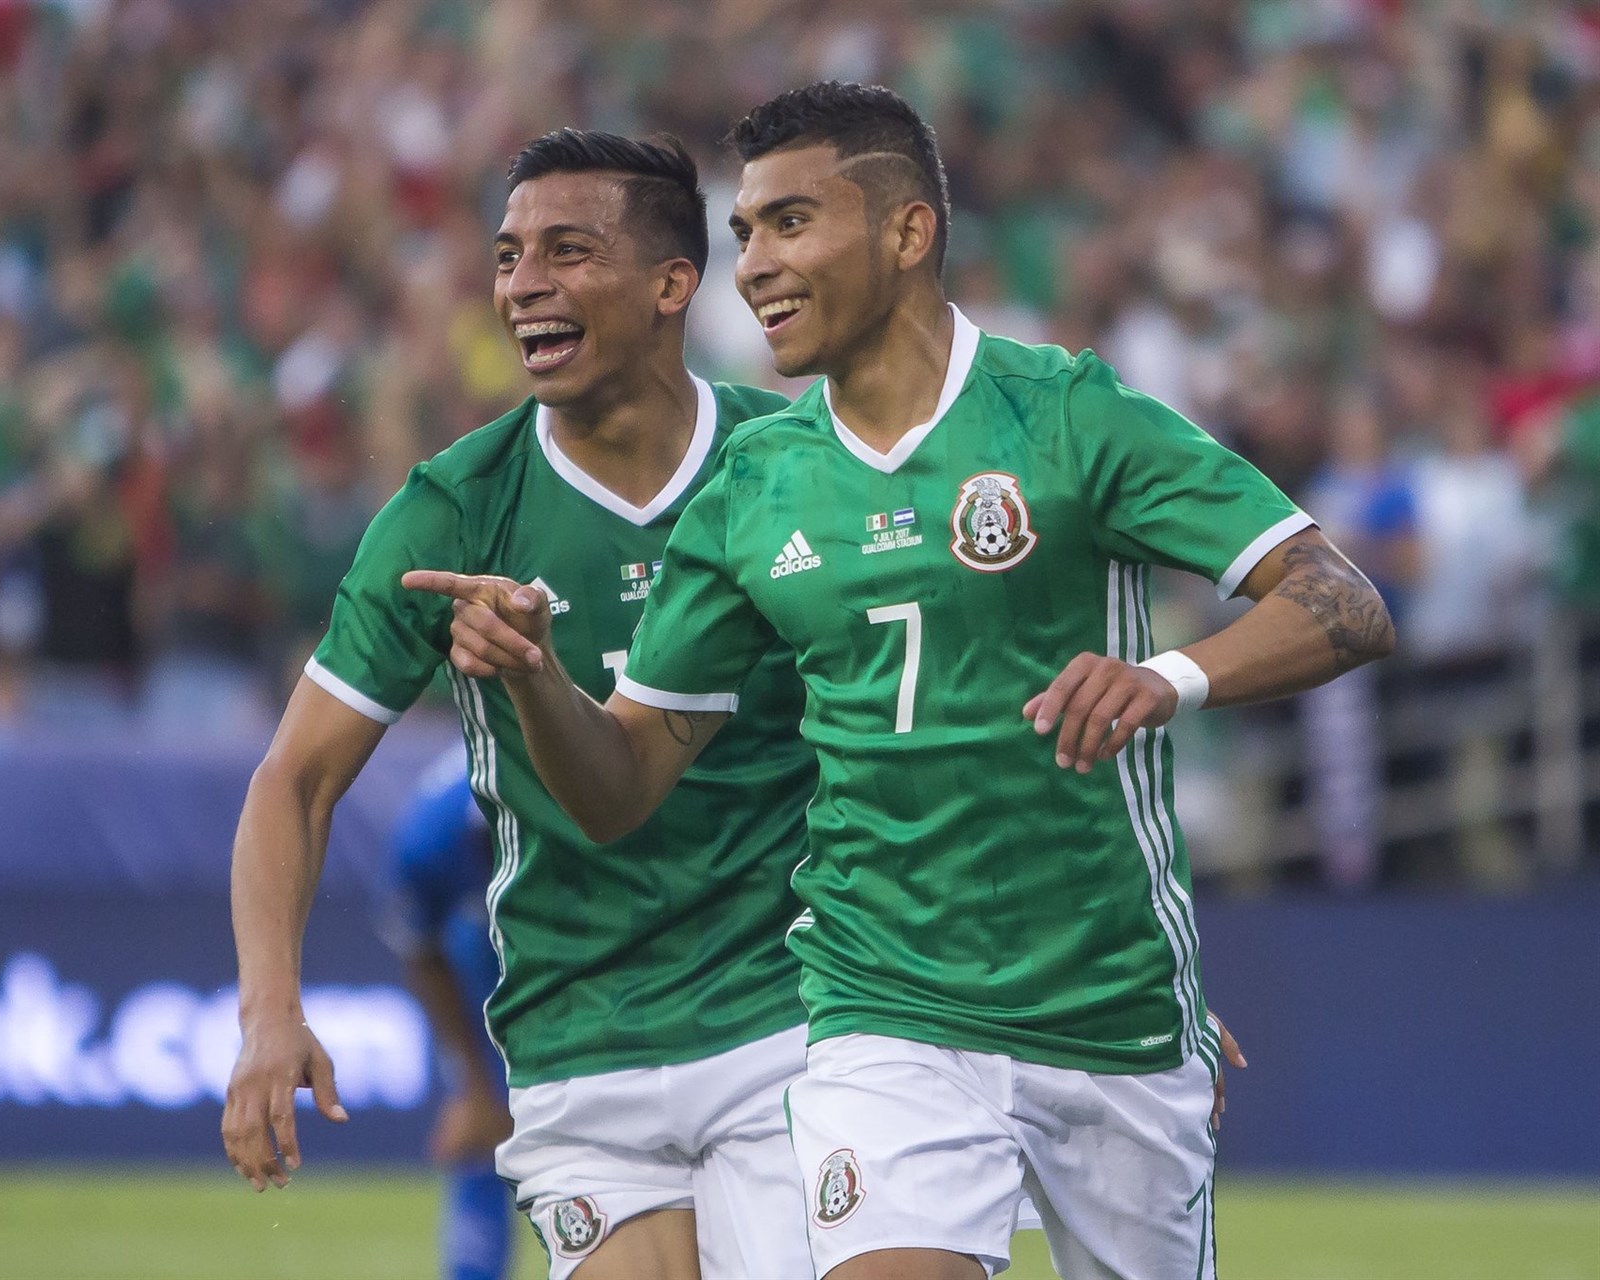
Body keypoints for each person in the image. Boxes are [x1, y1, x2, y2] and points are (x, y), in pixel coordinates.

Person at [407, 82, 1389, 1280]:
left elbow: (1341, 600)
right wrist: (535, 678)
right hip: (883, 1007)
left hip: (1112, 1005)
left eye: (791, 224)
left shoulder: (1067, 415)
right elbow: (618, 787)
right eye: (745, 235)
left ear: (908, 231)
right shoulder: (754, 487)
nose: (756, 267)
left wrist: (1167, 676)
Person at [222, 130, 820, 1280]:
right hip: (574, 1033)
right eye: (507, 257)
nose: (522, 284)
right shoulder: (453, 510)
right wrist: (268, 1011)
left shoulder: (793, 467)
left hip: (790, 1017)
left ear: (671, 285)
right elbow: (293, 779)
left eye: (566, 251)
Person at [383, 749, 517, 1280]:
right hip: (482, 948)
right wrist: (475, 1088)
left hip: (587, 931)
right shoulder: (428, 840)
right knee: (483, 1134)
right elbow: (422, 950)